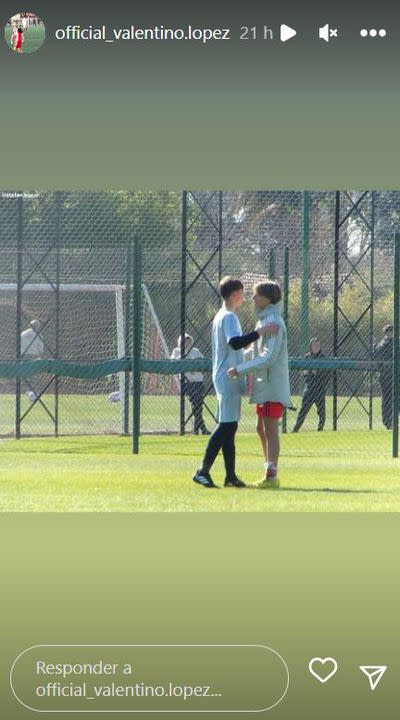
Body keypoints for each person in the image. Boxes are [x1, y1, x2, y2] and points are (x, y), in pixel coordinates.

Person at [193, 276, 278, 489]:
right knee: (226, 426)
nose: (246, 296)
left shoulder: (223, 316)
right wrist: (261, 332)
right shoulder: (229, 317)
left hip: (226, 375)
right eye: (242, 292)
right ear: (234, 294)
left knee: (230, 428)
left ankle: (230, 476)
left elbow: (237, 347)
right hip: (227, 376)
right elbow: (235, 343)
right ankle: (203, 471)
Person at [228, 281, 292, 489]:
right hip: (263, 386)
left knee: (270, 429)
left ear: (268, 298)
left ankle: (272, 475)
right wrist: (236, 361)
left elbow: (268, 358)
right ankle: (268, 470)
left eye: (256, 295)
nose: (253, 298)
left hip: (272, 386)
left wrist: (240, 369)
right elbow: (254, 351)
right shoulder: (263, 321)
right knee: (261, 428)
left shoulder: (274, 321)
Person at [170, 333, 210, 435]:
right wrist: (188, 363)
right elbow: (173, 362)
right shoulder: (177, 351)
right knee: (197, 405)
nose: (187, 343)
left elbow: (202, 362)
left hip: (198, 381)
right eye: (185, 341)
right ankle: (202, 429)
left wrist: (194, 366)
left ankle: (197, 430)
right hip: (187, 382)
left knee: (198, 406)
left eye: (189, 341)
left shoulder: (195, 351)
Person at [292, 338, 327, 433]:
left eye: (318, 345)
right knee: (303, 410)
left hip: (320, 389)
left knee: (321, 411)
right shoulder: (307, 357)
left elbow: (326, 374)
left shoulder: (323, 358)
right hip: (309, 388)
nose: (316, 347)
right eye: (314, 345)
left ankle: (320, 429)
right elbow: (304, 372)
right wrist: (308, 372)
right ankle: (295, 429)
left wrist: (316, 372)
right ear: (310, 347)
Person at [373, 324, 393, 429]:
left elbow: (374, 355)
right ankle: (388, 421)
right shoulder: (393, 343)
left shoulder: (379, 344)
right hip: (392, 375)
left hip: (384, 375)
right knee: (390, 399)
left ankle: (387, 421)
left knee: (386, 399)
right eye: (390, 332)